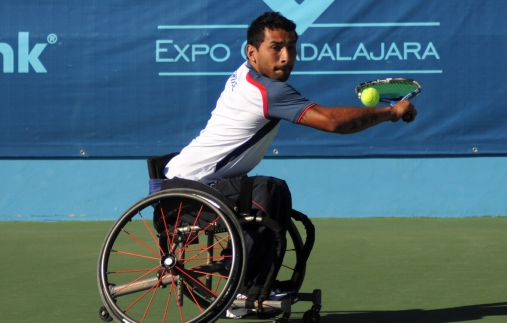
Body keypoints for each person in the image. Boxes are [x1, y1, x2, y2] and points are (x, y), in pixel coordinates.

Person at [164, 11, 417, 298]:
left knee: (274, 193)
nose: (286, 57)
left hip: (189, 181)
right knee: (268, 190)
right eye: (276, 48)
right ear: (252, 52)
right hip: (190, 191)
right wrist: (390, 112)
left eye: (291, 47)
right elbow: (332, 121)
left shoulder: (247, 73)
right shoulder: (267, 91)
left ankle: (257, 280)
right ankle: (241, 288)